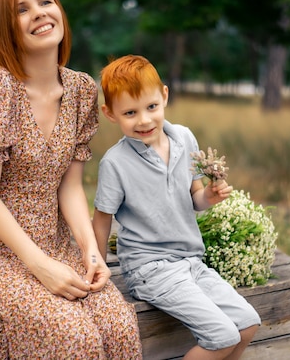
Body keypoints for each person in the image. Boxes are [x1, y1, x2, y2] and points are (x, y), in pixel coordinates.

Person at [0, 0, 142, 359]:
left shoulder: (82, 90)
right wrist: (40, 266)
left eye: (45, 2)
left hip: (55, 245)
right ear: (7, 29)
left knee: (120, 326)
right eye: (22, 9)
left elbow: (69, 187)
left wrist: (89, 250)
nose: (38, 13)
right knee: (73, 336)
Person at [93, 55, 261, 360]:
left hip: (191, 260)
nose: (144, 120)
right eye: (130, 112)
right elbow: (102, 219)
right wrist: (99, 265)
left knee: (247, 323)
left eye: (151, 107)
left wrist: (208, 197)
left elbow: (194, 196)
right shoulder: (115, 163)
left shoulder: (184, 138)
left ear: (164, 96)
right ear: (110, 113)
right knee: (221, 336)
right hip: (150, 268)